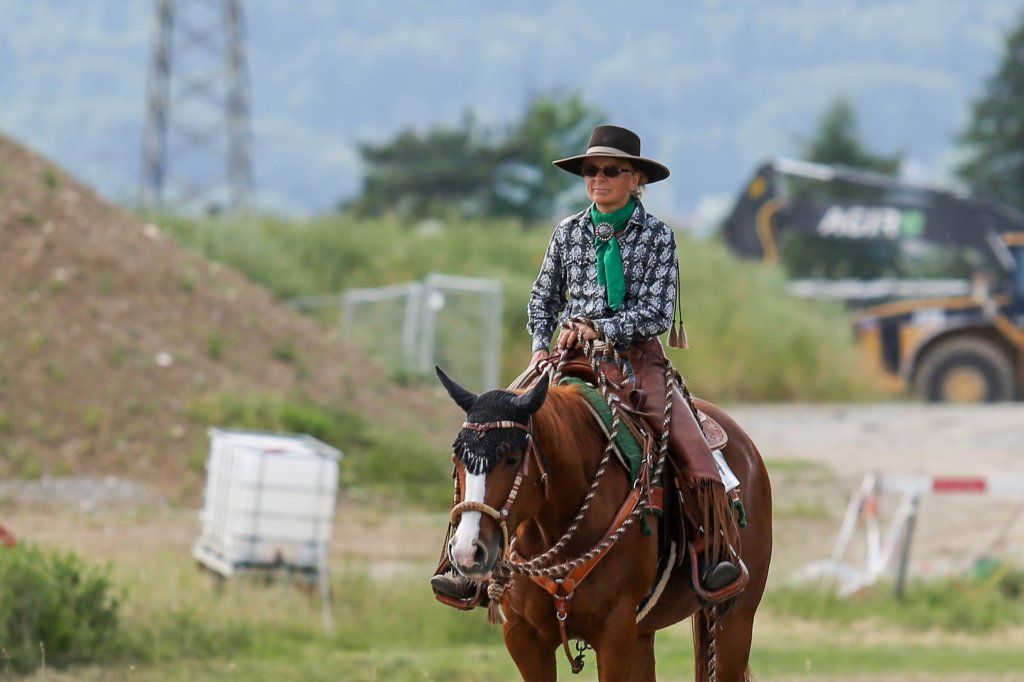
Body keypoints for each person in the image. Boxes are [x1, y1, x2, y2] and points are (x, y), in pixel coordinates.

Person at [432, 125, 741, 602]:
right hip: (565, 356)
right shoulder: (568, 231)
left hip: (637, 361)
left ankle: (711, 549)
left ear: (635, 179)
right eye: (591, 171)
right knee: (487, 428)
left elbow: (658, 312)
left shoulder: (659, 236)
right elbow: (543, 297)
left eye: (611, 170)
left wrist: (602, 330)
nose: (598, 178)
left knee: (690, 444)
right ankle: (459, 563)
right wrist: (539, 344)